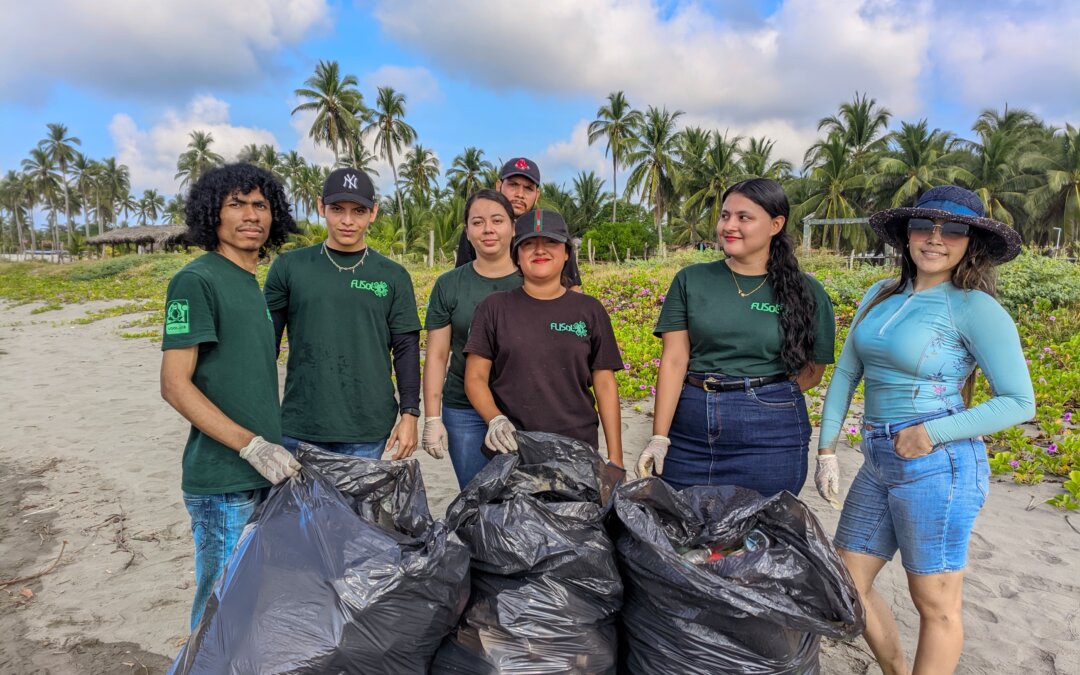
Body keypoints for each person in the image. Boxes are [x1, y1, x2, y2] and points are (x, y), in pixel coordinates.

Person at [813, 186, 1034, 674]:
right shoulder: (879, 294)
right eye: (923, 227)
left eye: (953, 230)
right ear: (906, 236)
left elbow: (1019, 401)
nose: (936, 239)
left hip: (938, 464)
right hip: (877, 458)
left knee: (933, 602)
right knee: (846, 581)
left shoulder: (976, 308)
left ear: (970, 241)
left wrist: (931, 434)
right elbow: (848, 373)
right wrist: (826, 448)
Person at [159, 163, 300, 630]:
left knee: (250, 603)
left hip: (259, 477)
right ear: (211, 214)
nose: (250, 215)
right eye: (236, 204)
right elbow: (175, 385)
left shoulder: (250, 283)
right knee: (219, 610)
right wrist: (250, 445)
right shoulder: (196, 280)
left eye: (260, 205)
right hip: (222, 481)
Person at [637, 178, 835, 496]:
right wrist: (660, 436)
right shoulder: (691, 280)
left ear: (775, 224)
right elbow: (674, 360)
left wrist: (758, 396)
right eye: (725, 215)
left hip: (769, 435)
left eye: (744, 217)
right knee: (681, 532)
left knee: (761, 534)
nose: (729, 225)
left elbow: (813, 371)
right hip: (689, 429)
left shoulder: (808, 292)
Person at [264, 167, 421, 460]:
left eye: (358, 211)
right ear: (320, 207)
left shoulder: (393, 275)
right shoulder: (289, 267)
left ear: (373, 212)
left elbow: (406, 348)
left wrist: (410, 413)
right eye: (337, 209)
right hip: (301, 426)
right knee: (303, 508)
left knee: (356, 509)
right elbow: (264, 346)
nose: (348, 221)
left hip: (368, 428)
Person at [462, 209, 623, 466]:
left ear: (567, 252)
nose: (540, 250)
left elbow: (604, 384)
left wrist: (616, 458)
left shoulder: (590, 310)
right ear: (516, 255)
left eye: (550, 242)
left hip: (578, 450)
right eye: (528, 244)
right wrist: (495, 419)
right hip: (514, 450)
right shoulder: (493, 308)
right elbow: (475, 377)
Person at [421, 189, 522, 487]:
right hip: (463, 410)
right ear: (467, 231)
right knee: (474, 496)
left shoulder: (532, 280)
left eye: (497, 220)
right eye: (478, 222)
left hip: (521, 411)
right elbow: (438, 355)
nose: (488, 229)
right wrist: (432, 418)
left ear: (513, 227)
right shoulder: (449, 284)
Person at [454, 157, 583, 291]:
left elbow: (573, 285)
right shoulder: (480, 230)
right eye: (513, 185)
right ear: (499, 186)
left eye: (528, 188)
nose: (520, 194)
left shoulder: (552, 229)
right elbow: (462, 279)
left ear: (537, 194)